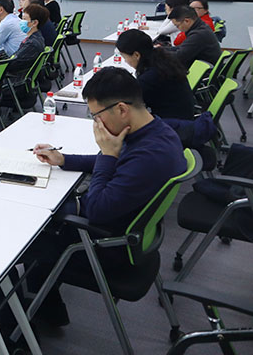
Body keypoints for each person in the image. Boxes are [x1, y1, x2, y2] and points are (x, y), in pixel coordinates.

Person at [25, 67, 186, 327]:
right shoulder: (154, 131)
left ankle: (14, 327)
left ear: (121, 109)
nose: (96, 124)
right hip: (125, 229)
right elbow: (119, 161)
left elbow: (96, 209)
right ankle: (48, 311)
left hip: (107, 245)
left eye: (97, 116)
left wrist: (108, 155)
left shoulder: (150, 156)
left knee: (24, 239)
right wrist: (64, 159)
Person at [117, 29, 195, 120]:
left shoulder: (149, 77)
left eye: (124, 57)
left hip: (172, 124)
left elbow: (130, 105)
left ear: (136, 55)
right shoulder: (162, 60)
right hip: (184, 117)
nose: (125, 61)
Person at [10, 4, 48, 74]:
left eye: (24, 19)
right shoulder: (37, 37)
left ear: (35, 23)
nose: (21, 22)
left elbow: (12, 63)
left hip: (17, 76)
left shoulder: (31, 44)